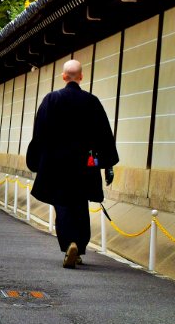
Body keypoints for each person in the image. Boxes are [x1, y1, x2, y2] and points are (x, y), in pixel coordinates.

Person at [26, 60, 118, 269]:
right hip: (84, 164)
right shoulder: (92, 102)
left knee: (63, 204)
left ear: (64, 77)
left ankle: (69, 244)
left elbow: (40, 132)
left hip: (56, 164)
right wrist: (107, 164)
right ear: (81, 77)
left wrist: (36, 160)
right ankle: (79, 247)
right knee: (80, 204)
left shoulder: (51, 99)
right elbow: (104, 135)